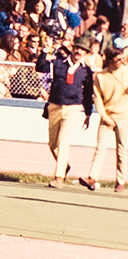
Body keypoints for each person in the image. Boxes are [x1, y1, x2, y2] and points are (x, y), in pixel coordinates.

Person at [36, 36, 95, 189]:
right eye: (77, 48)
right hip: (55, 106)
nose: (78, 51)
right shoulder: (58, 63)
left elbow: (88, 94)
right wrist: (44, 50)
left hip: (73, 108)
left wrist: (88, 113)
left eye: (82, 49)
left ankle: (59, 177)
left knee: (63, 141)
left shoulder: (86, 71)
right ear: (72, 48)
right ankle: (64, 166)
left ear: (86, 52)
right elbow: (40, 66)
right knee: (52, 144)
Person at [86, 42, 128, 193]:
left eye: (122, 59)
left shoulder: (126, 72)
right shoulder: (100, 77)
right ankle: (92, 177)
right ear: (109, 60)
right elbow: (98, 99)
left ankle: (121, 181)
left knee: (122, 150)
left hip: (124, 116)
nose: (121, 62)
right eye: (118, 59)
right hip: (107, 117)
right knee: (100, 148)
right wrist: (104, 117)